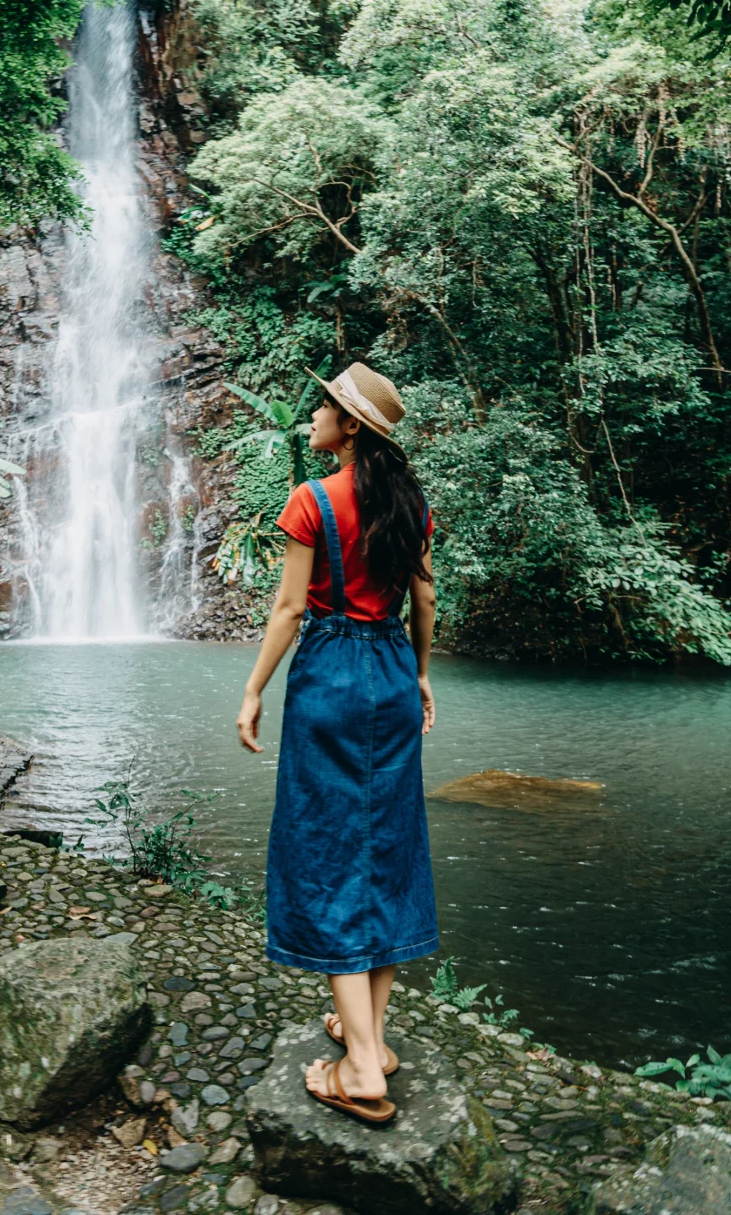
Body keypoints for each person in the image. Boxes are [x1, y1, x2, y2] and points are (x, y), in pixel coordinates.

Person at [236, 361, 438, 1127]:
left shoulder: (312, 500)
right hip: (388, 669)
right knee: (383, 848)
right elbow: (423, 596)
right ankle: (373, 1039)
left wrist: (254, 689)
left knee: (326, 853)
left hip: (329, 677)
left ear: (348, 427)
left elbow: (290, 610)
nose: (311, 418)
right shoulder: (407, 502)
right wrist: (419, 674)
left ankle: (358, 1070)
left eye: (322, 409)